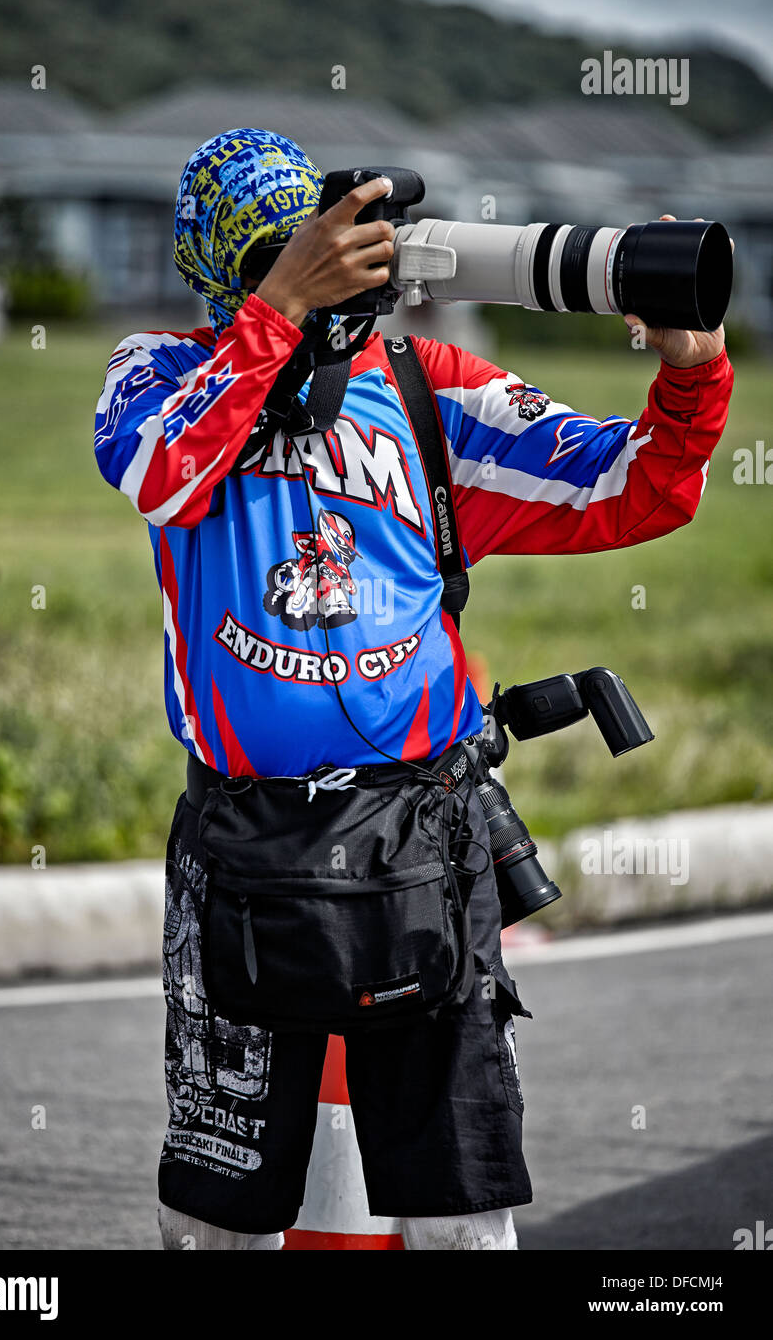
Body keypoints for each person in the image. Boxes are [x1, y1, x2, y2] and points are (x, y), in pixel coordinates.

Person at [93, 128, 733, 1251]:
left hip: (420, 843)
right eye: (296, 257)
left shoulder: (425, 392)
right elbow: (159, 472)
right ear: (228, 275)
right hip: (245, 851)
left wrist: (689, 368)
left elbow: (635, 487)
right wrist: (275, 312)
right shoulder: (159, 375)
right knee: (214, 1219)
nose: (338, 278)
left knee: (460, 1214)